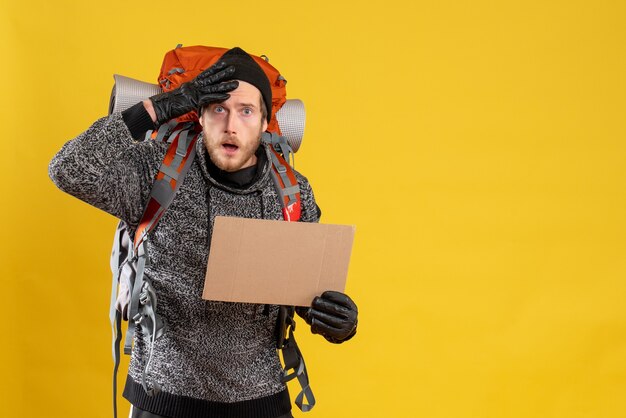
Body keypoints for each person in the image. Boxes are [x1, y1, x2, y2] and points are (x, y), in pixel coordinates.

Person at [49, 47, 358, 418]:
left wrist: (331, 317)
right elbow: (68, 169)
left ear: (264, 122)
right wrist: (156, 108)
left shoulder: (290, 191)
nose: (231, 125)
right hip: (163, 397)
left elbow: (298, 286)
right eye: (218, 109)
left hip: (261, 399)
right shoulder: (156, 172)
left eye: (246, 111)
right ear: (200, 115)